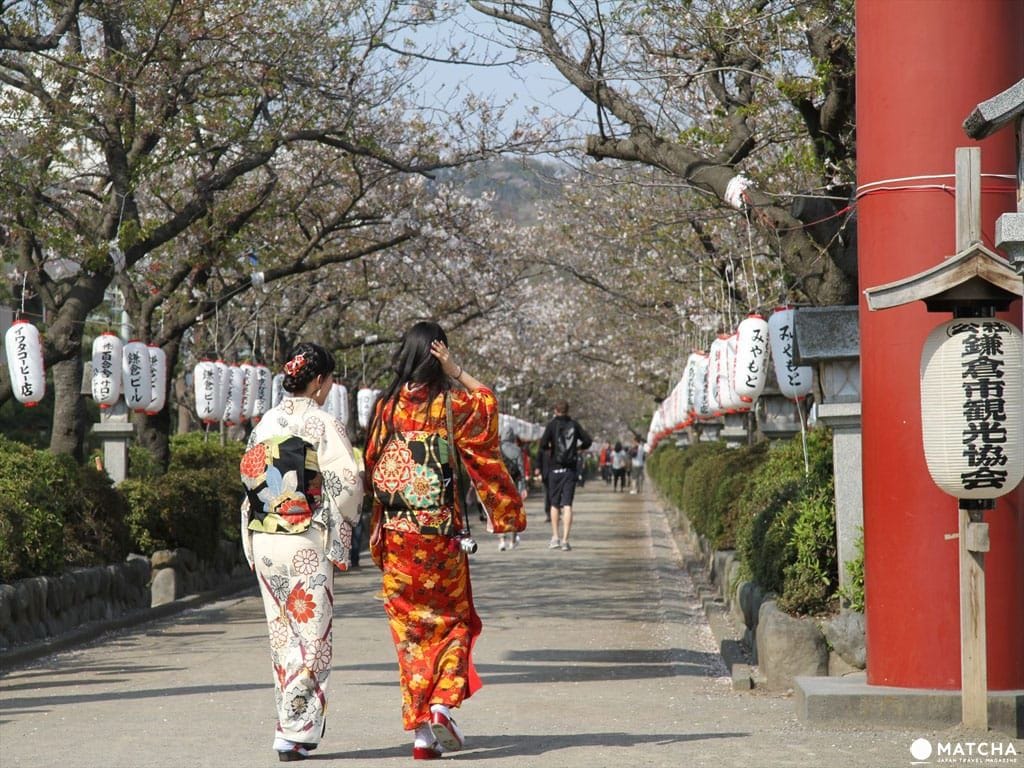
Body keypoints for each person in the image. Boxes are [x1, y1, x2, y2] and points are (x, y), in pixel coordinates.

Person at [363, 321, 525, 760]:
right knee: (452, 621)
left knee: (409, 631)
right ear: (438, 356)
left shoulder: (386, 407)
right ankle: (441, 706)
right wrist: (457, 371)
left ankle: (420, 734)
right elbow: (488, 405)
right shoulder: (451, 403)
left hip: (398, 536)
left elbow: (372, 463)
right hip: (440, 536)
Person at [239, 342, 363, 763]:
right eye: (328, 380)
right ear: (316, 381)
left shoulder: (265, 423)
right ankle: (295, 729)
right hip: (304, 538)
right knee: (313, 636)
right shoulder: (323, 423)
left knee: (281, 635)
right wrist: (343, 522)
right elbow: (346, 485)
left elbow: (251, 482)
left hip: (266, 536)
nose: (329, 387)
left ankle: (287, 722)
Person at [538, 400, 592, 551]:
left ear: (556, 410)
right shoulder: (574, 425)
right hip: (570, 469)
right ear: (568, 411)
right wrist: (578, 448)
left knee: (554, 504)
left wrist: (552, 448)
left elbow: (542, 445)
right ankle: (565, 540)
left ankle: (555, 537)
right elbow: (588, 440)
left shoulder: (551, 425)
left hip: (555, 469)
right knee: (567, 504)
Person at [498, 421, 526, 551]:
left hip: (499, 485)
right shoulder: (517, 450)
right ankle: (513, 541)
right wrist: (523, 487)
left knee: (500, 513)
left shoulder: (496, 449)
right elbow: (521, 469)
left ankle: (502, 540)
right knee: (514, 513)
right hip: (514, 485)